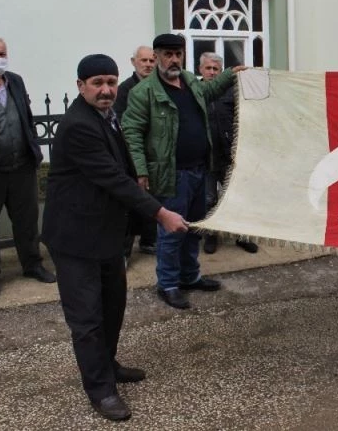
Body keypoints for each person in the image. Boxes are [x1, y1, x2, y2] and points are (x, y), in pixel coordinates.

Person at [42, 54, 187, 421]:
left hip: (105, 234)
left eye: (111, 81)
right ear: (80, 86)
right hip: (75, 240)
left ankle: (107, 365)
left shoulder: (107, 116)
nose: (106, 90)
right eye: (97, 83)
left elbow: (123, 168)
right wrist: (161, 212)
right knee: (87, 318)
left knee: (112, 307)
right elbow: (112, 178)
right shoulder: (78, 125)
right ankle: (101, 391)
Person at [122, 34, 244, 310]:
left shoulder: (190, 81)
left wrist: (230, 74)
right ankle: (168, 284)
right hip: (171, 174)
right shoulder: (144, 93)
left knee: (193, 229)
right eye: (167, 54)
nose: (173, 59)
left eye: (178, 53)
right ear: (156, 58)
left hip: (200, 169)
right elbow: (132, 133)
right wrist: (140, 170)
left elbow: (209, 92)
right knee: (172, 231)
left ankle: (190, 277)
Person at [0, 34, 55, 298]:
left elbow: (26, 117)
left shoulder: (15, 81)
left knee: (27, 220)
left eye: (1, 53)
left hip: (22, 166)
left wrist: (33, 148)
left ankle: (32, 264)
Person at [197, 52, 258, 255]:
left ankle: (242, 235)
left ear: (221, 71)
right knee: (209, 199)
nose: (212, 72)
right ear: (200, 70)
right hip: (206, 156)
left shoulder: (231, 90)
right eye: (208, 68)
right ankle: (211, 235)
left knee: (236, 197)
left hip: (230, 154)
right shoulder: (196, 92)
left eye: (216, 69)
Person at [115, 46, 158, 258]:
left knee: (153, 201)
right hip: (132, 156)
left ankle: (149, 242)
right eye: (144, 60)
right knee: (130, 204)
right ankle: (124, 253)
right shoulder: (125, 90)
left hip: (155, 157)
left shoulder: (159, 86)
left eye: (152, 60)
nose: (148, 64)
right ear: (133, 62)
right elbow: (123, 125)